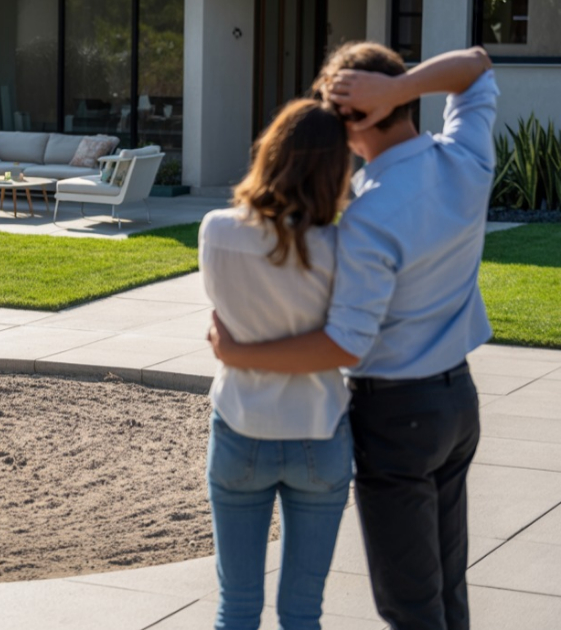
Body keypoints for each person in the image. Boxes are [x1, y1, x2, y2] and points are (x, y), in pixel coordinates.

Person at [208, 43, 497, 630]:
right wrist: (398, 89)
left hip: (396, 417)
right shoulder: (466, 157)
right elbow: (476, 66)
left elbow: (344, 344)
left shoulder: (368, 217)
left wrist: (238, 353)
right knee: (447, 587)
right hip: (458, 404)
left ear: (353, 119)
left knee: (410, 604)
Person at [199, 98, 354, 630]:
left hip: (240, 425)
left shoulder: (215, 230)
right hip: (319, 430)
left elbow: (222, 321)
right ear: (334, 170)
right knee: (302, 614)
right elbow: (345, 341)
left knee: (235, 608)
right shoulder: (341, 248)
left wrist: (239, 351)